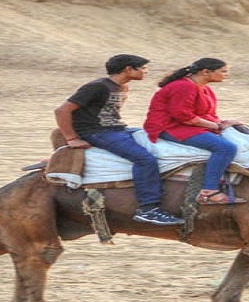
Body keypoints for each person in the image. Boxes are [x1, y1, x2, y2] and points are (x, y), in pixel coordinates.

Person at [54, 54, 186, 226]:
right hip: (96, 132)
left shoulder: (122, 87)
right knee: (144, 159)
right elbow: (62, 111)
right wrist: (72, 138)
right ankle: (148, 209)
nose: (146, 71)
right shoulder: (97, 87)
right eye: (143, 68)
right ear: (128, 69)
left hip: (117, 129)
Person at [143, 57, 247, 205]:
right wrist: (216, 126)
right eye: (223, 71)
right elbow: (182, 115)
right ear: (206, 72)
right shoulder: (184, 87)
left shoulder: (203, 87)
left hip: (186, 124)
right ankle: (209, 192)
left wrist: (223, 122)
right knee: (225, 148)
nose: (226, 75)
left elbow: (205, 113)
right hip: (170, 127)